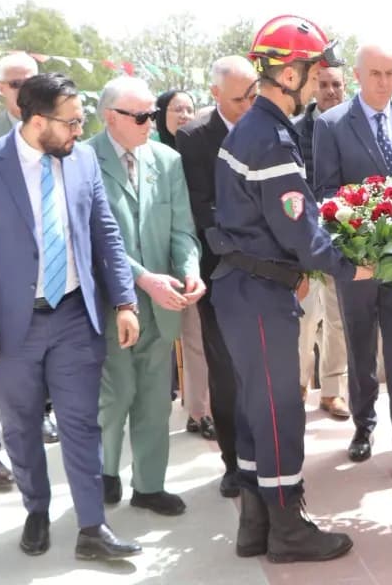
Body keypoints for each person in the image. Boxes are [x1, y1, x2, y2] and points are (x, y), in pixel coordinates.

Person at [0, 73, 144, 560]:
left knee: (81, 423)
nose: (80, 131)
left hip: (76, 316)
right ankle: (36, 509)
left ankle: (92, 527)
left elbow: (106, 235)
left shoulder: (83, 162)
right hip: (11, 327)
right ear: (38, 121)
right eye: (72, 122)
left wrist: (125, 301)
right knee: (22, 425)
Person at [207, 15, 372, 563]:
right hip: (258, 290)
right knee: (280, 409)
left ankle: (256, 525)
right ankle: (289, 527)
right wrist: (354, 267)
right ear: (292, 72)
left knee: (259, 405)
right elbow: (298, 231)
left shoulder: (252, 128)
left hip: (242, 286)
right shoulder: (273, 139)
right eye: (317, 68)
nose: (322, 78)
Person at [314, 43, 392, 482]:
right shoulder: (331, 125)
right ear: (359, 77)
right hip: (357, 261)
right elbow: (325, 191)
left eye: (391, 74)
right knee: (361, 348)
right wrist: (357, 235)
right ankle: (363, 427)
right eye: (376, 74)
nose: (384, 82)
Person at [90, 77, 204, 516]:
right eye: (139, 117)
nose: (148, 123)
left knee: (156, 398)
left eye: (151, 115)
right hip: (112, 305)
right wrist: (143, 279)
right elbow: (96, 241)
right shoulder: (84, 161)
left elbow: (182, 230)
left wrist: (189, 271)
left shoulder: (167, 160)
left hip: (163, 304)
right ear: (109, 117)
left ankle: (150, 485)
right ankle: (104, 474)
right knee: (115, 395)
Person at [176, 55, 258, 498]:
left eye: (253, 94)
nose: (249, 104)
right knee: (226, 373)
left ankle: (264, 453)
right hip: (221, 272)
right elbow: (200, 206)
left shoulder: (270, 126)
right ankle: (232, 462)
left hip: (268, 272)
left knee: (262, 371)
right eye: (238, 98)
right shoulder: (193, 138)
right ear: (215, 96)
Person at [0, 52, 59, 443]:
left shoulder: (58, 131)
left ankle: (44, 414)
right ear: (0, 89)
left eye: (30, 82)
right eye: (14, 84)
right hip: (2, 274)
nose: (23, 91)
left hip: (52, 269)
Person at [154, 89, 214, 437]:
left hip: (196, 256)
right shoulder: (150, 154)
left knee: (197, 337)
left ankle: (199, 411)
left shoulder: (200, 149)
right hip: (156, 261)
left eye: (190, 109)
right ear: (160, 113)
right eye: (177, 109)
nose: (185, 115)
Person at [293, 64, 351, 417]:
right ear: (313, 86)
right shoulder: (297, 130)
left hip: (344, 238)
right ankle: (299, 385)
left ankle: (332, 391)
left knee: (338, 319)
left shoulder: (352, 128)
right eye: (324, 84)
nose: (331, 91)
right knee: (303, 317)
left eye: (337, 85)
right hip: (303, 239)